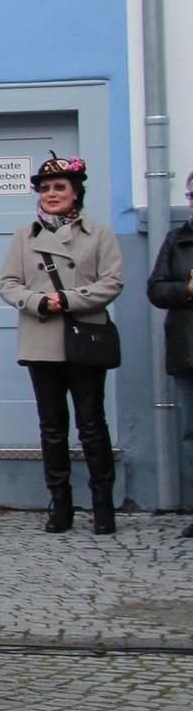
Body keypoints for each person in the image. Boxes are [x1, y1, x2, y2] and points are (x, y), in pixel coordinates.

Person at [0, 154, 125, 535]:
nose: (51, 194)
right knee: (52, 427)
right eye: (46, 188)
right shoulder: (24, 236)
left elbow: (112, 282)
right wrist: (38, 301)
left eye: (60, 188)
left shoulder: (99, 234)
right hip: (41, 340)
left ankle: (103, 507)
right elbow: (8, 283)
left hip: (84, 338)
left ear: (75, 194)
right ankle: (61, 505)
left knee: (91, 425)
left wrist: (68, 299)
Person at [145, 168, 193, 539]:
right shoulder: (177, 240)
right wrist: (188, 290)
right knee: (191, 433)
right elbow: (157, 290)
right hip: (188, 350)